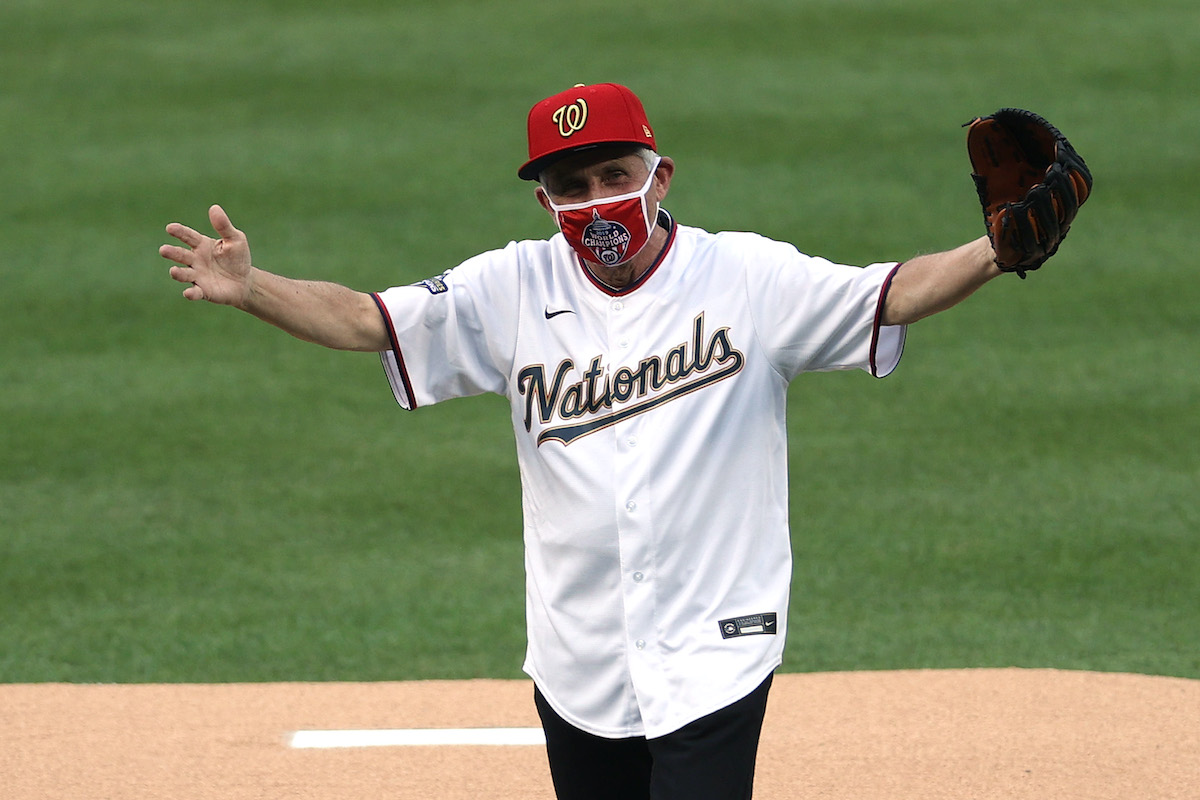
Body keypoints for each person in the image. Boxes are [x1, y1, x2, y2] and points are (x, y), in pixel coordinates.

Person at [159, 83, 1003, 799]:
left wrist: (994, 251)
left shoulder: (748, 275)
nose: (596, 200)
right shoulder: (510, 286)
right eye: (571, 185)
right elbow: (367, 320)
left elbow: (891, 294)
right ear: (545, 200)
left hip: (715, 646)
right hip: (579, 658)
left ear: (660, 176)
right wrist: (252, 287)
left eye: (614, 175)